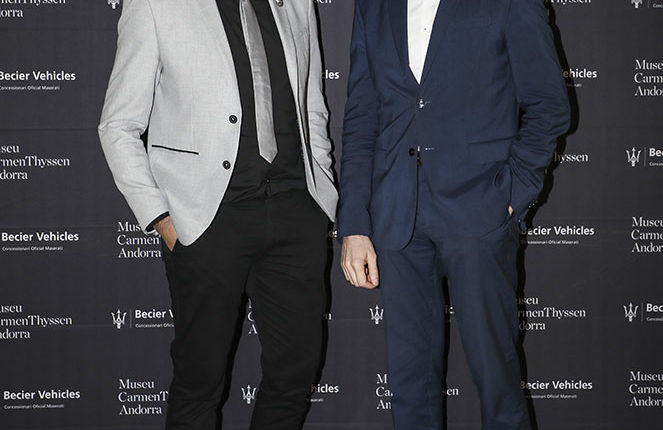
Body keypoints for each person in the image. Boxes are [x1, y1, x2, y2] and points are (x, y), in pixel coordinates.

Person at [98, 0, 337, 428]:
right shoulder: (156, 5)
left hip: (295, 212)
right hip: (207, 220)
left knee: (294, 375)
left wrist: (321, 195)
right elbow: (118, 126)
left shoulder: (297, 3)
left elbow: (313, 106)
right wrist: (160, 217)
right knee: (199, 383)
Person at [338, 0, 570, 429]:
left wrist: (511, 193)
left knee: (497, 383)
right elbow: (361, 116)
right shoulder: (373, 5)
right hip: (397, 214)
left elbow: (548, 104)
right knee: (409, 388)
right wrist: (353, 222)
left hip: (479, 212)